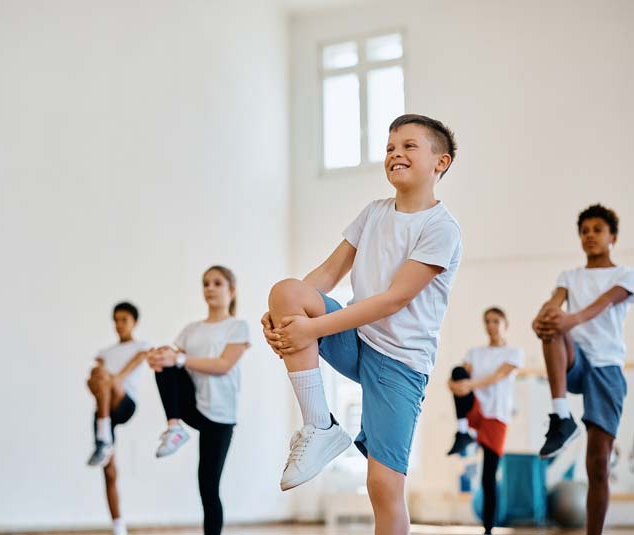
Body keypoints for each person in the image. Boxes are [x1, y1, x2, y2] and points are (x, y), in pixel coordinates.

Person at [262, 114, 462, 534]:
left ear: (439, 162)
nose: (395, 154)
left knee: (383, 485)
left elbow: (393, 300)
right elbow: (327, 273)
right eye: (390, 148)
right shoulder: (373, 213)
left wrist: (310, 330)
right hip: (357, 339)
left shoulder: (440, 228)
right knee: (287, 290)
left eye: (409, 146)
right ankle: (319, 425)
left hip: (401, 365)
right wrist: (284, 314)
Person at [532, 204, 634, 535]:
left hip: (606, 369)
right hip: (575, 361)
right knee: (551, 325)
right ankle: (561, 416)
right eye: (584, 231)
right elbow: (554, 303)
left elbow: (603, 303)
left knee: (598, 465)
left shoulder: (625, 275)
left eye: (597, 230)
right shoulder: (569, 277)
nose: (590, 235)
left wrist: (571, 318)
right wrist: (542, 316)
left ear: (612, 237)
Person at [148, 266, 249, 535]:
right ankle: (175, 427)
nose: (210, 288)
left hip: (221, 416)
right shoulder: (190, 329)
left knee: (208, 487)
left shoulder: (238, 327)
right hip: (192, 406)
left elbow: (224, 364)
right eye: (206, 283)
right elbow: (172, 359)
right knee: (165, 363)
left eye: (217, 283)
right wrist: (157, 357)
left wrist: (178, 358)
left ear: (231, 290)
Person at [447, 307, 524, 534]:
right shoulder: (474, 352)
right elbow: (459, 379)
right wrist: (454, 385)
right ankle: (463, 432)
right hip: (476, 409)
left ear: (505, 323)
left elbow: (499, 375)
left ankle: (488, 529)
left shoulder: (514, 352)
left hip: (496, 416)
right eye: (487, 321)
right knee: (458, 371)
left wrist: (468, 385)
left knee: (488, 475)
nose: (491, 325)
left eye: (496, 321)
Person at [86, 302, 151, 535]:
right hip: (104, 408)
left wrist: (108, 378)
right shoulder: (104, 353)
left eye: (124, 319)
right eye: (116, 319)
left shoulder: (141, 346)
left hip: (124, 403)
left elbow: (125, 374)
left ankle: (103, 435)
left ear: (134, 321)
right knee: (109, 471)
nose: (119, 324)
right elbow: (92, 382)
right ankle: (118, 526)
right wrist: (101, 379)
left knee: (102, 378)